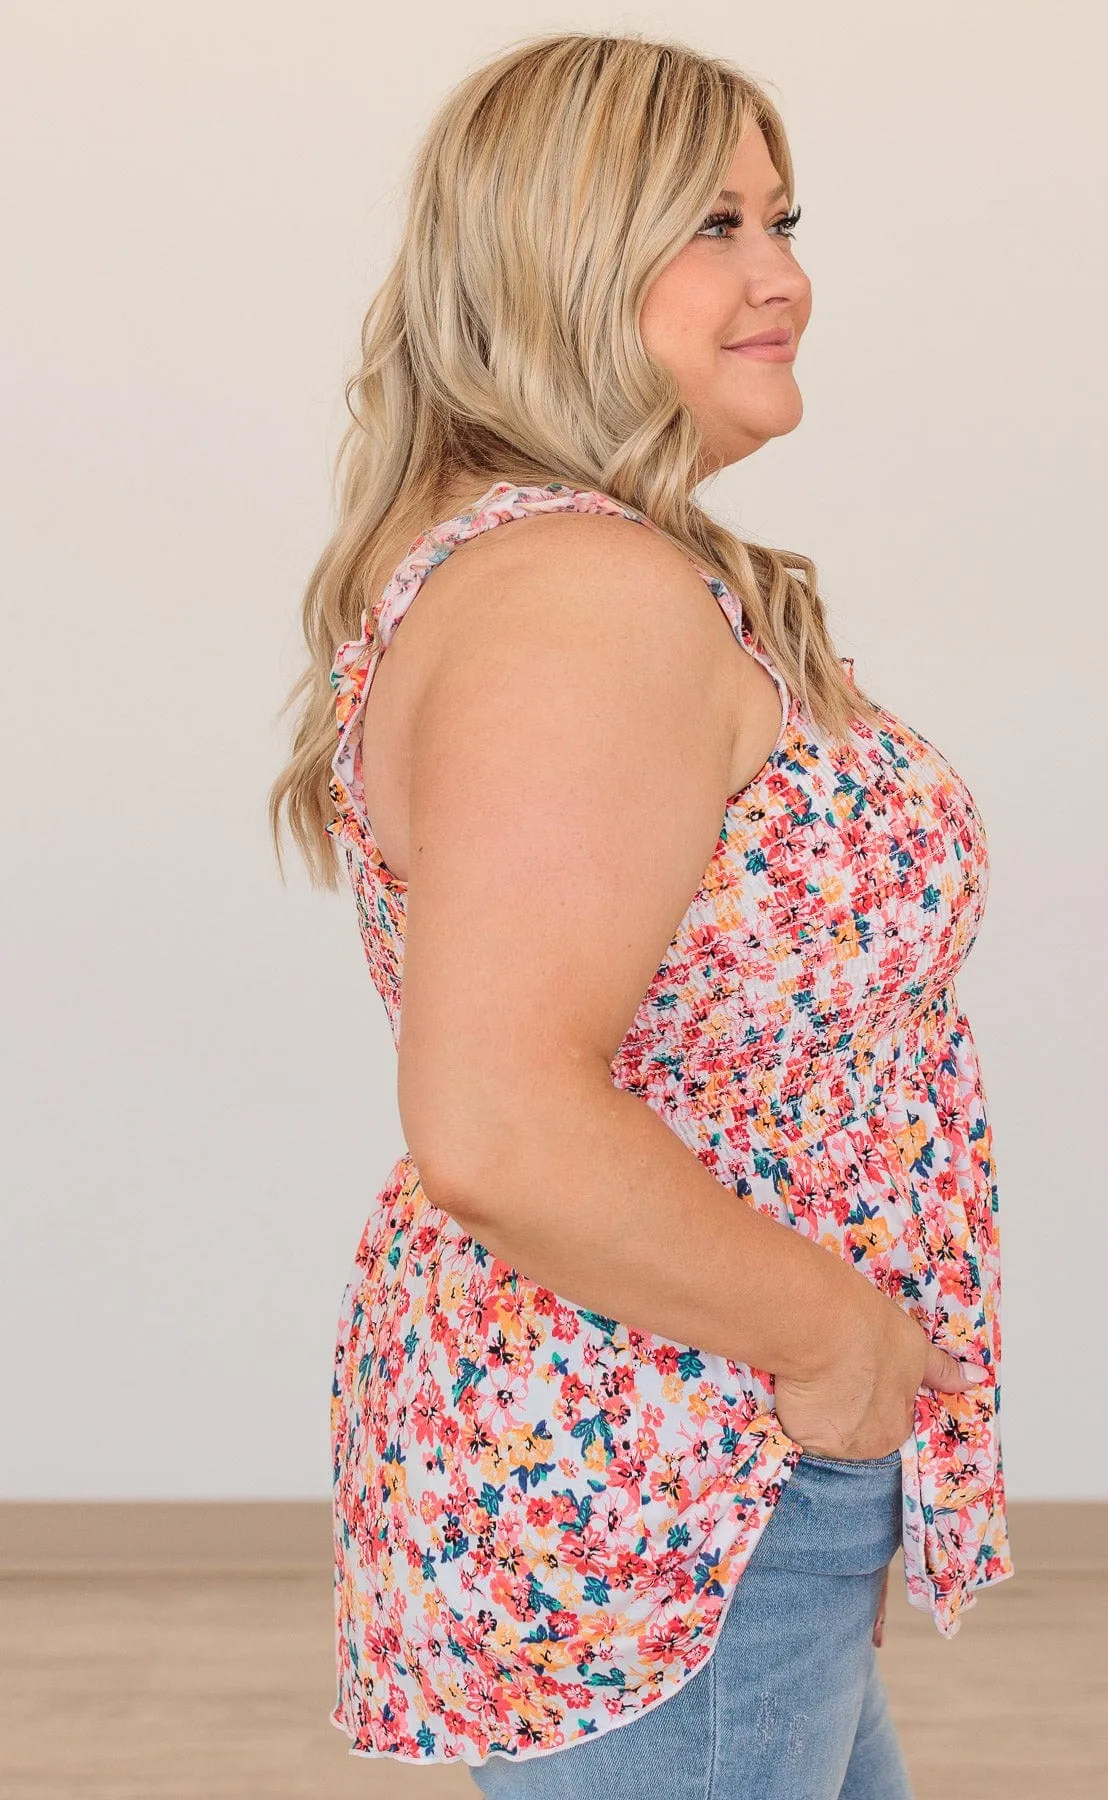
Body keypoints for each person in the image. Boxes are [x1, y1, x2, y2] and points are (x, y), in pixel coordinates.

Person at [269, 28, 1013, 1798]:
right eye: (712, 225)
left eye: (783, 216)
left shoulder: (578, 567)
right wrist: (839, 1350)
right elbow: (500, 1117)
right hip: (682, 1455)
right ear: (564, 258)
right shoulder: (582, 601)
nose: (783, 278)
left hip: (702, 1442)